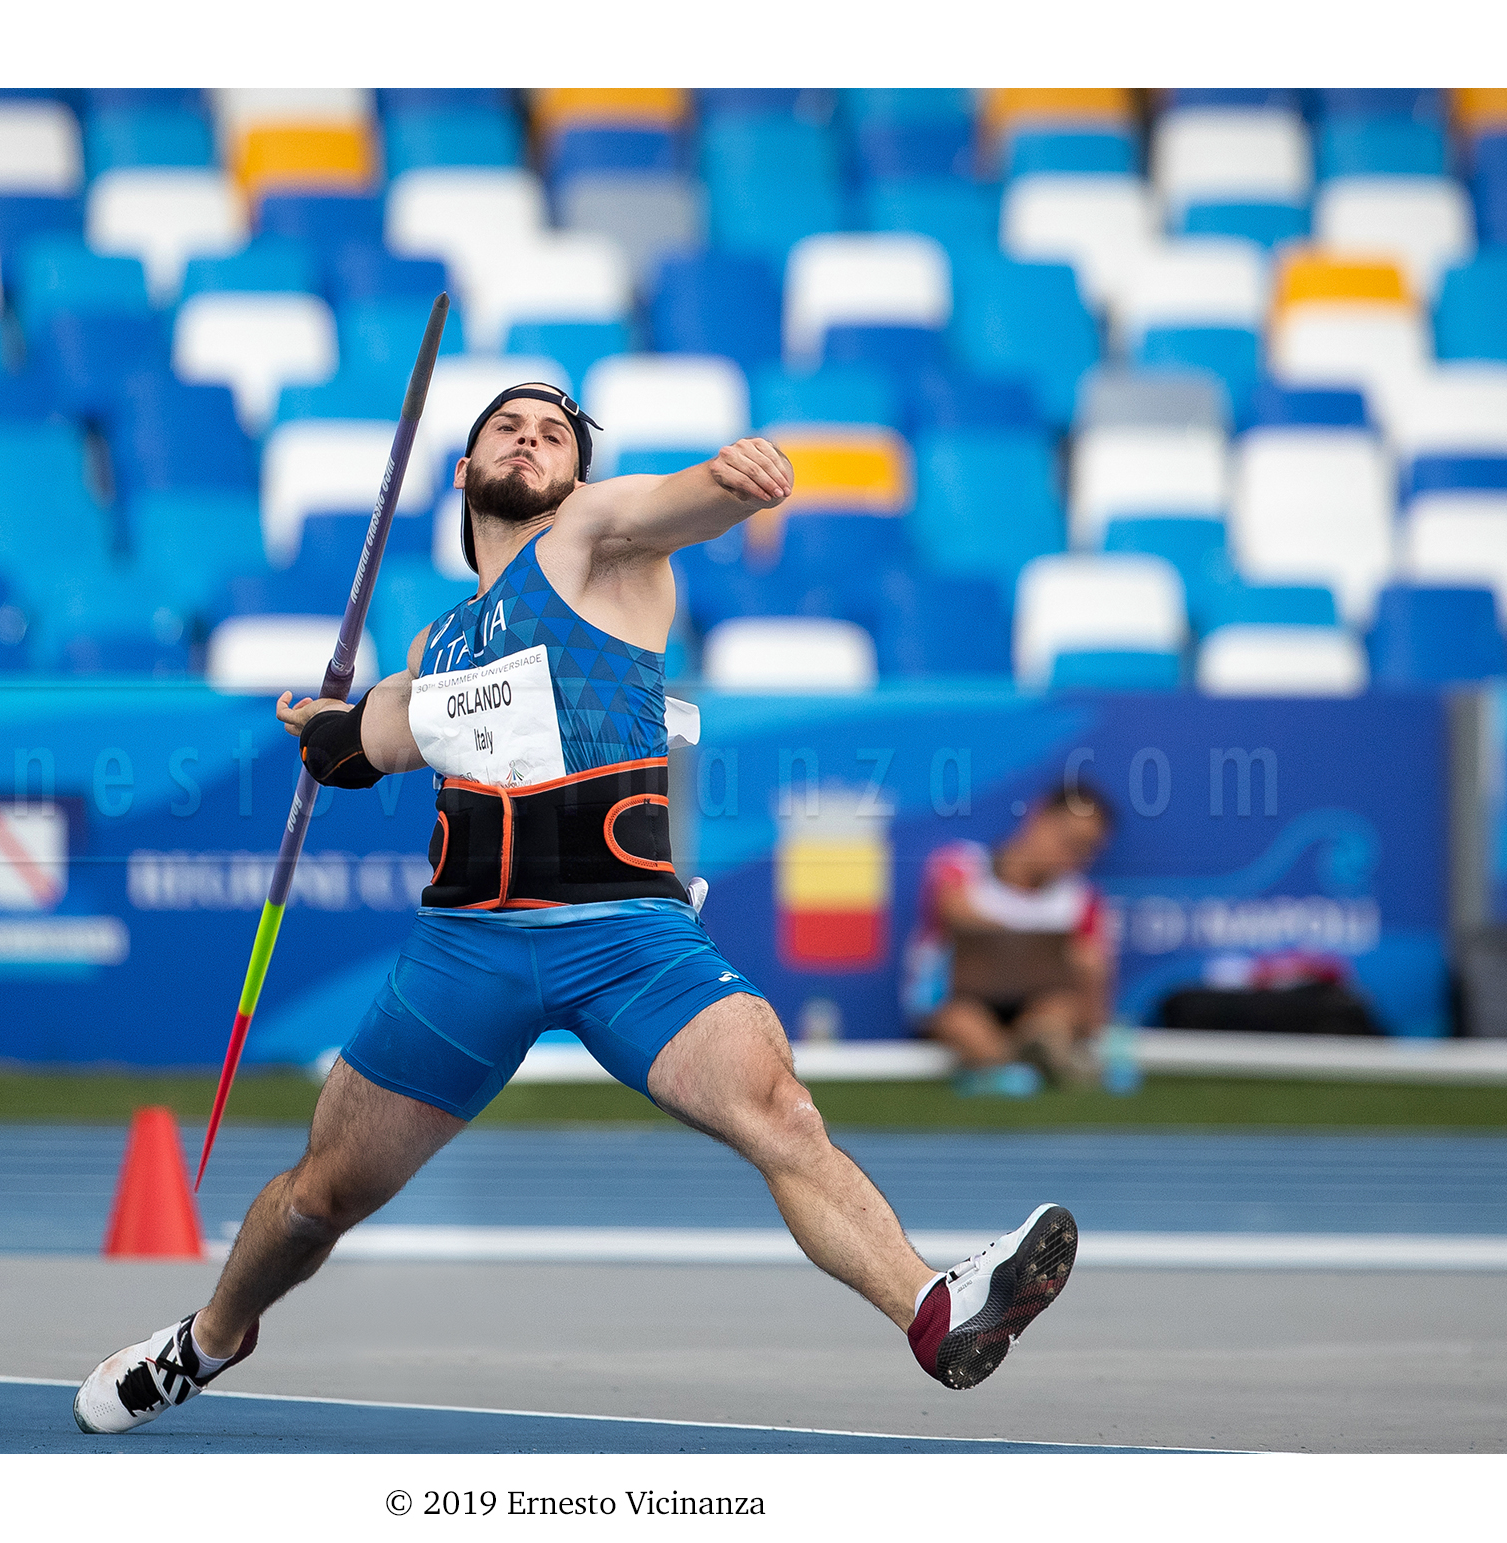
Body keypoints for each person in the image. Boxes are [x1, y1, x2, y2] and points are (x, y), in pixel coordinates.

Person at [73, 383, 1078, 1434]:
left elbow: (674, 503)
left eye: (553, 434)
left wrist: (728, 483)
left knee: (776, 1108)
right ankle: (207, 1339)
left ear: (574, 479)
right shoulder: (436, 645)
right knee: (320, 1196)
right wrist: (330, 733)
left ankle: (931, 1309)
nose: (530, 439)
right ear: (463, 471)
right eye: (506, 428)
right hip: (465, 949)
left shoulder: (598, 542)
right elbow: (375, 739)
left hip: (625, 932)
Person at [902, 786, 1116, 1095]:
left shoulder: (1082, 900)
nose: (1070, 856)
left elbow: (1092, 989)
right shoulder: (961, 865)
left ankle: (1034, 1051)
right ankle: (1014, 1061)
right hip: (959, 1002)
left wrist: (1089, 973)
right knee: (964, 1023)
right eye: (1066, 840)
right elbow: (955, 911)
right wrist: (1047, 947)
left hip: (1035, 1006)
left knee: (1059, 1011)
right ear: (1039, 817)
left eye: (1084, 850)